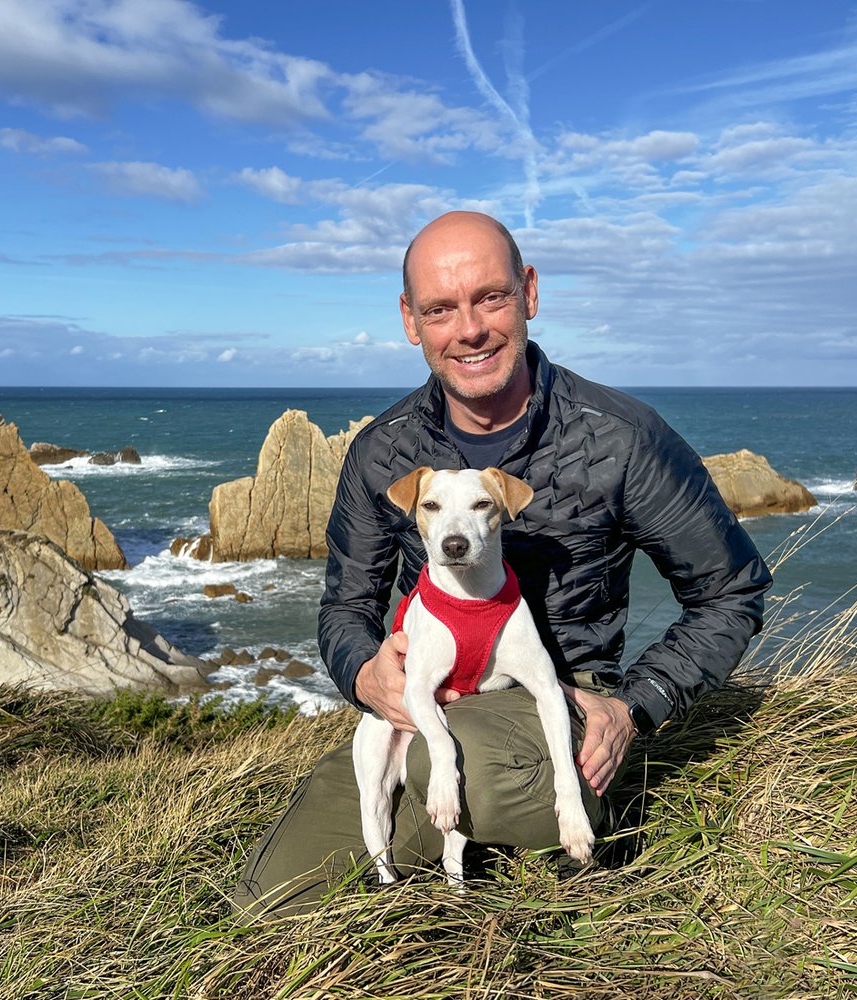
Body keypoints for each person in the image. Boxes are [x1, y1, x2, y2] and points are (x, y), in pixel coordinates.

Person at [233, 211, 771, 915]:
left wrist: (635, 707)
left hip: (560, 695)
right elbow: (345, 608)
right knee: (271, 900)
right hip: (436, 696)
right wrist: (364, 671)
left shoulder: (621, 438)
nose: (470, 329)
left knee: (454, 769)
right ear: (409, 320)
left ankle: (592, 810)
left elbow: (732, 591)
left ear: (529, 294)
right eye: (439, 309)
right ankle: (477, 855)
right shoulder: (382, 452)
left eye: (490, 297)